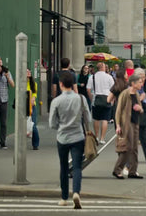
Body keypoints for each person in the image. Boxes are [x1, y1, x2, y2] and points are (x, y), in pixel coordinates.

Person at [49, 71, 91, 209]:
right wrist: (88, 129)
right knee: (77, 166)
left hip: (62, 137)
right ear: (72, 84)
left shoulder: (56, 101)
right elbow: (87, 117)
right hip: (78, 136)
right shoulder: (80, 98)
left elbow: (52, 123)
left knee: (63, 167)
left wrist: (60, 126)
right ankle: (76, 192)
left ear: (60, 84)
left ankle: (64, 196)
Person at [113, 74, 144, 179]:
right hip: (126, 123)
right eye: (139, 82)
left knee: (134, 147)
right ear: (133, 83)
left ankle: (133, 171)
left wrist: (140, 109)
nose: (141, 84)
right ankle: (117, 169)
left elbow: (141, 109)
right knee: (127, 147)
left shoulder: (136, 94)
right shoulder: (125, 94)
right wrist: (118, 125)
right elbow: (118, 110)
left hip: (135, 123)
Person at [87, 62, 115, 144]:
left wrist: (91, 98)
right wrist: (112, 100)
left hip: (96, 99)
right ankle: (102, 138)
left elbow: (88, 89)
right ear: (104, 68)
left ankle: (96, 137)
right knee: (105, 119)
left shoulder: (92, 77)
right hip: (107, 98)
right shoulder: (109, 77)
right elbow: (113, 89)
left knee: (96, 119)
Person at [27, 69, 39, 150]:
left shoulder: (33, 84)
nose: (28, 73)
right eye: (26, 72)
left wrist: (33, 99)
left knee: (33, 125)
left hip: (31, 106)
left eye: (29, 72)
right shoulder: (21, 83)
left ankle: (35, 144)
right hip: (23, 106)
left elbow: (34, 93)